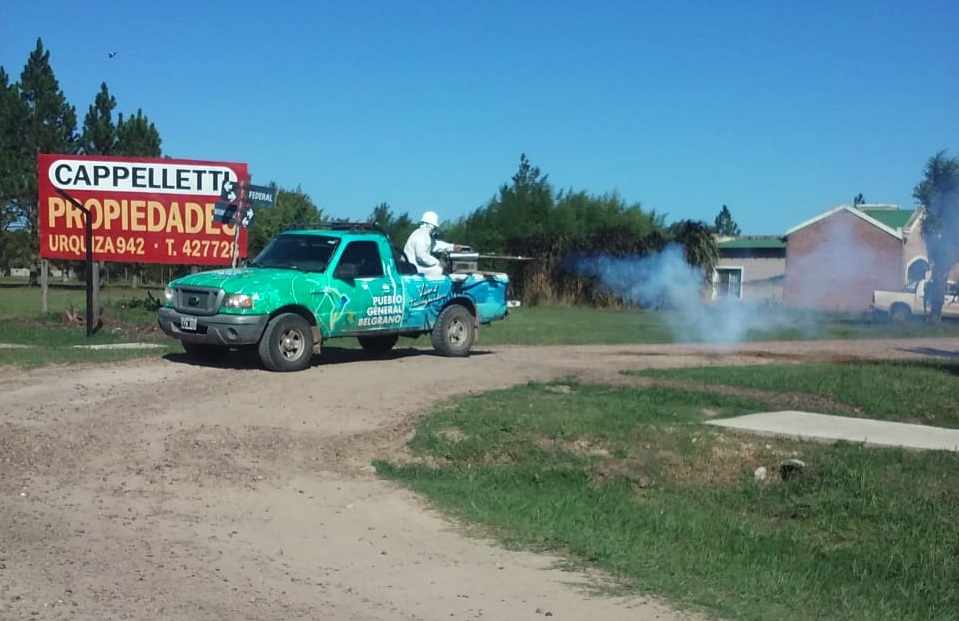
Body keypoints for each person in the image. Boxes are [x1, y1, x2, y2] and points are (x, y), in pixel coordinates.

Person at [403, 210, 459, 278]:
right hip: (414, 268)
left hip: (413, 266)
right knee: (438, 270)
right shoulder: (422, 236)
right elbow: (421, 256)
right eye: (434, 227)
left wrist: (452, 247)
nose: (434, 230)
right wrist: (438, 263)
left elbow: (435, 245)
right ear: (429, 225)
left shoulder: (421, 234)